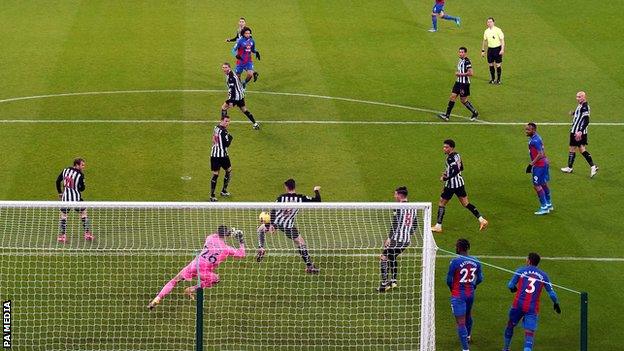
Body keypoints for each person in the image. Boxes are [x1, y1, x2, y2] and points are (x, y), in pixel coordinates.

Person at [148, 226, 245, 309]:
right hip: (204, 271)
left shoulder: (210, 238)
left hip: (195, 264)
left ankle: (157, 299)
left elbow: (218, 234)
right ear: (225, 235)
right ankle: (192, 289)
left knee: (175, 280)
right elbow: (242, 254)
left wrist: (229, 232)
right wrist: (240, 240)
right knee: (216, 279)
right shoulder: (226, 249)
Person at [256, 179, 321, 274]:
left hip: (277, 222)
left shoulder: (281, 198)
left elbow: (273, 211)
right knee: (301, 243)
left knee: (260, 230)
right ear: (294, 187)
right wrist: (316, 190)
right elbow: (318, 201)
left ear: (286, 187)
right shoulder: (301, 198)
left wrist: (271, 225)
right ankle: (310, 266)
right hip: (288, 226)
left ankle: (261, 247)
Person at [503, 253, 561, 351]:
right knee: (529, 333)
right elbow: (551, 293)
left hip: (518, 305)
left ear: (529, 261)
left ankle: (505, 349)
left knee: (510, 325)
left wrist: (513, 288)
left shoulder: (520, 270)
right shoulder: (543, 275)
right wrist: (556, 303)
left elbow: (510, 285)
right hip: (532, 308)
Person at [431, 139, 488, 233]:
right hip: (460, 183)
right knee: (466, 203)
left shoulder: (450, 158)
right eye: (444, 147)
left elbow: (456, 170)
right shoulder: (457, 155)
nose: (444, 149)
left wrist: (446, 178)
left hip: (451, 185)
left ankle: (438, 226)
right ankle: (482, 220)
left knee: (442, 203)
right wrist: (447, 172)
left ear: (451, 148)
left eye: (446, 147)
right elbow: (461, 168)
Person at [377, 186, 418, 292]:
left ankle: (384, 283)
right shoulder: (414, 207)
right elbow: (415, 224)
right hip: (406, 241)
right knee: (392, 256)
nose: (394, 196)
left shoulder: (398, 206)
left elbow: (395, 223)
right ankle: (394, 281)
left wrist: (389, 238)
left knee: (383, 257)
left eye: (395, 194)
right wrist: (408, 234)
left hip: (396, 239)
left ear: (400, 195)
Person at [447, 238, 483, 351]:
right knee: (468, 315)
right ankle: (467, 336)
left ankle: (465, 349)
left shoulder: (455, 262)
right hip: (470, 294)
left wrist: (452, 289)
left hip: (458, 295)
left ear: (458, 248)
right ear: (468, 248)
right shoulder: (476, 261)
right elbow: (480, 278)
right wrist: (474, 285)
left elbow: (449, 280)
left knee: (461, 322)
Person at [560, 91, 598, 177]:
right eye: (577, 97)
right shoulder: (581, 105)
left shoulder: (585, 107)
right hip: (575, 131)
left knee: (577, 149)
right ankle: (571, 167)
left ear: (584, 97)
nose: (578, 98)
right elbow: (579, 114)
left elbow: (586, 120)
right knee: (577, 149)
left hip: (578, 132)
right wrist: (574, 113)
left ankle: (592, 166)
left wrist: (580, 131)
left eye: (580, 97)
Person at [55, 158, 93, 243]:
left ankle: (63, 236)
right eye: (82, 165)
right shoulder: (80, 175)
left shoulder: (65, 170)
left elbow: (58, 181)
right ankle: (87, 234)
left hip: (65, 199)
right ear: (76, 165)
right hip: (76, 199)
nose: (83, 166)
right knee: (83, 213)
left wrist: (60, 193)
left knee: (63, 215)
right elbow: (82, 189)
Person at [438, 47, 479, 122]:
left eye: (462, 52)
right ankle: (447, 116)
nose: (460, 53)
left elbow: (471, 73)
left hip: (464, 84)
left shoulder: (467, 62)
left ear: (465, 53)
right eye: (460, 52)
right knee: (452, 97)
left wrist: (460, 74)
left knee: (463, 100)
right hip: (458, 82)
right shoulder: (460, 60)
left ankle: (475, 112)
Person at [221, 62, 259, 130]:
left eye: (226, 67)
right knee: (244, 110)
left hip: (235, 97)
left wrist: (231, 101)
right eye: (223, 67)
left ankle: (223, 124)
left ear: (229, 67)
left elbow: (232, 89)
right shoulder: (231, 73)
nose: (224, 69)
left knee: (224, 107)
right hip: (240, 96)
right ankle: (255, 124)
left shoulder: (230, 77)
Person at [525, 123, 553, 215]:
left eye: (528, 130)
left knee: (536, 185)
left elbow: (540, 153)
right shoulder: (537, 137)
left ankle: (544, 207)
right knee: (543, 183)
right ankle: (549, 204)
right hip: (543, 163)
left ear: (533, 130)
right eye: (526, 129)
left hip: (539, 165)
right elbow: (543, 150)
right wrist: (546, 158)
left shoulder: (535, 141)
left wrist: (531, 164)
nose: (526, 131)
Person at [210, 115, 233, 202]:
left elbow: (213, 139)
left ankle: (216, 194)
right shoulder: (224, 132)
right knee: (221, 173)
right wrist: (230, 138)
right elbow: (226, 144)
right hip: (222, 156)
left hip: (214, 155)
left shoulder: (216, 127)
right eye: (226, 121)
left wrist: (216, 145)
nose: (227, 123)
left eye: (228, 121)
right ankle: (220, 192)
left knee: (227, 171)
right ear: (222, 120)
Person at [480, 17, 505, 84]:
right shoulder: (486, 31)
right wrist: (483, 50)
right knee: (490, 64)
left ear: (493, 22)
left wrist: (502, 49)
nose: (489, 23)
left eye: (490, 22)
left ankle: (499, 80)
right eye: (488, 22)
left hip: (497, 49)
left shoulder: (498, 30)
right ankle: (493, 79)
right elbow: (484, 41)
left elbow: (502, 40)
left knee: (498, 65)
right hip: (490, 49)